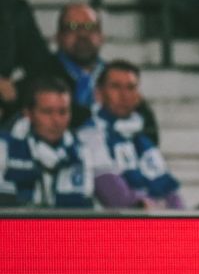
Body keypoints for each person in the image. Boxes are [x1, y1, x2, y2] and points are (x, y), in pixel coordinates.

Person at [33, 3, 160, 141]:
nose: (82, 34)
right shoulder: (38, 75)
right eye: (73, 27)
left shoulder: (116, 76)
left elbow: (149, 131)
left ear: (101, 37)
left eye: (89, 27)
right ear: (58, 37)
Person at [76, 61, 183, 209]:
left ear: (138, 95)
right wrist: (156, 206)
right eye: (116, 87)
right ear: (98, 94)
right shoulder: (90, 136)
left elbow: (172, 195)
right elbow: (116, 199)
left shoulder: (142, 139)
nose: (124, 95)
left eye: (130, 87)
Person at [0, 77, 93, 208]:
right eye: (47, 112)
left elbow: (83, 211)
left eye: (63, 112)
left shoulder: (81, 152)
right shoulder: (4, 147)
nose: (56, 120)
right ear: (28, 114)